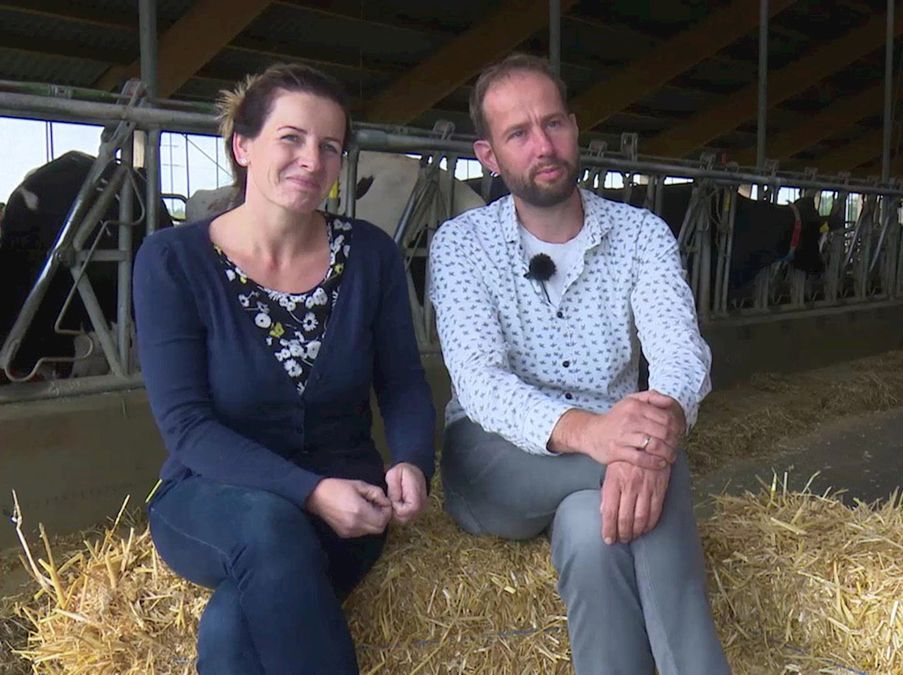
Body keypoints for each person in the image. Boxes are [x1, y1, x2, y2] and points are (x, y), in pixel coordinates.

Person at [428, 54, 730, 674]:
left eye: (554, 123)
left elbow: (679, 349)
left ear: (575, 126)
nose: (543, 145)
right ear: (489, 156)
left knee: (593, 534)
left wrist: (664, 410)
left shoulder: (641, 235)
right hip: (494, 459)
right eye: (518, 134)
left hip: (607, 455)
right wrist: (607, 437)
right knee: (655, 468)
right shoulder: (462, 244)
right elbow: (480, 383)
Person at [133, 63, 435, 674]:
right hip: (209, 497)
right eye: (290, 138)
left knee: (231, 628)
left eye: (329, 146)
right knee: (269, 526)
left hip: (351, 502)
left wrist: (410, 459)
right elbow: (188, 428)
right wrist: (309, 493)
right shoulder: (172, 262)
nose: (311, 159)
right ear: (243, 146)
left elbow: (402, 383)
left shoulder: (370, 254)